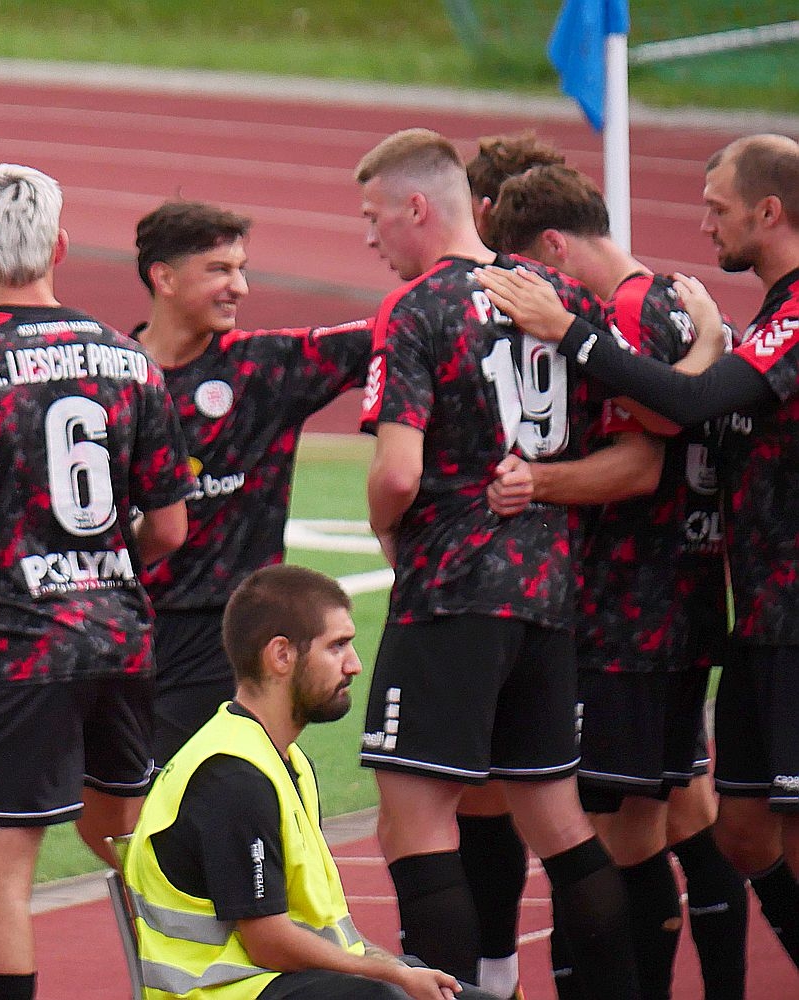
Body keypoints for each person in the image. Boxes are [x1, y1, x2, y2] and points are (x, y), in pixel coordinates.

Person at [475, 132, 799, 972]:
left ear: (769, 211)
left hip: (716, 617)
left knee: (650, 833)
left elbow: (673, 418)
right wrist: (707, 341)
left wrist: (568, 336)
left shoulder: (786, 313)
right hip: (747, 616)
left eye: (718, 208)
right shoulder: (753, 314)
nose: (704, 225)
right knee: (737, 828)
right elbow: (694, 404)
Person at [0, 163, 193, 1000]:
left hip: (18, 654)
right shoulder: (130, 362)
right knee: (132, 845)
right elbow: (170, 528)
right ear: (59, 246)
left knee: (0, 879)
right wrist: (102, 573)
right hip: (122, 640)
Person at [354, 128, 640, 998]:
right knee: (558, 821)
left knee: (414, 826)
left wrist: (385, 528)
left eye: (374, 217)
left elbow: (397, 473)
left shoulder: (418, 308)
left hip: (451, 590)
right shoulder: (560, 297)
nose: (370, 238)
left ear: (417, 208)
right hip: (549, 589)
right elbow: (638, 437)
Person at [125, 564, 491, 1000]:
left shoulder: (284, 760)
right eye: (337, 646)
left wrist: (392, 968)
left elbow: (321, 932)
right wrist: (389, 976)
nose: (354, 665)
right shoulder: (232, 776)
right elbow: (269, 943)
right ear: (281, 655)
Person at [131, 200, 372, 766]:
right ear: (164, 278)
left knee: (199, 787)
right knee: (112, 796)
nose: (239, 287)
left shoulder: (265, 366)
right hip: (126, 626)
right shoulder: (112, 375)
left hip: (227, 630)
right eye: (219, 270)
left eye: (241, 270)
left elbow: (403, 328)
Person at [454, 130, 569, 998]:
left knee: (475, 799)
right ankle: (499, 975)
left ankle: (490, 975)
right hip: (576, 581)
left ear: (484, 211)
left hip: (514, 580)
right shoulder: (586, 310)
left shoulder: (474, 302)